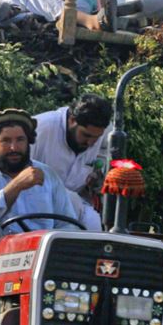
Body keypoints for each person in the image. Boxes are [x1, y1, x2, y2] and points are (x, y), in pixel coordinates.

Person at [0, 109, 78, 325]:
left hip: (39, 261)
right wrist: (16, 186)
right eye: (6, 141)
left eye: (20, 140)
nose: (14, 147)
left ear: (29, 142)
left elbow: (67, 222)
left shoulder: (48, 176)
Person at [32, 94, 112, 231]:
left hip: (79, 207)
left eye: (96, 138)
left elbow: (105, 155)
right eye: (86, 135)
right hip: (35, 206)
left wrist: (99, 173)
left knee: (93, 223)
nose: (91, 143)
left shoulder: (105, 133)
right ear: (72, 120)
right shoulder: (40, 129)